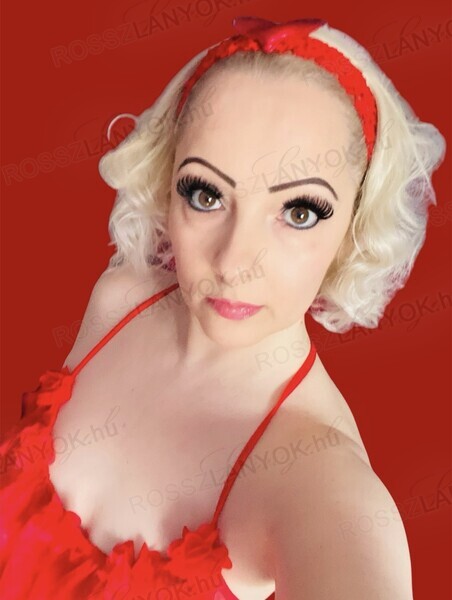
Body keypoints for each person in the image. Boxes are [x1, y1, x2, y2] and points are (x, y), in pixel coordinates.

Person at [0, 15, 446, 600]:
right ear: (167, 184)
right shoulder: (118, 300)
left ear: (355, 226)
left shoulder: (318, 476)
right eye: (206, 194)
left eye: (299, 212)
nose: (235, 263)